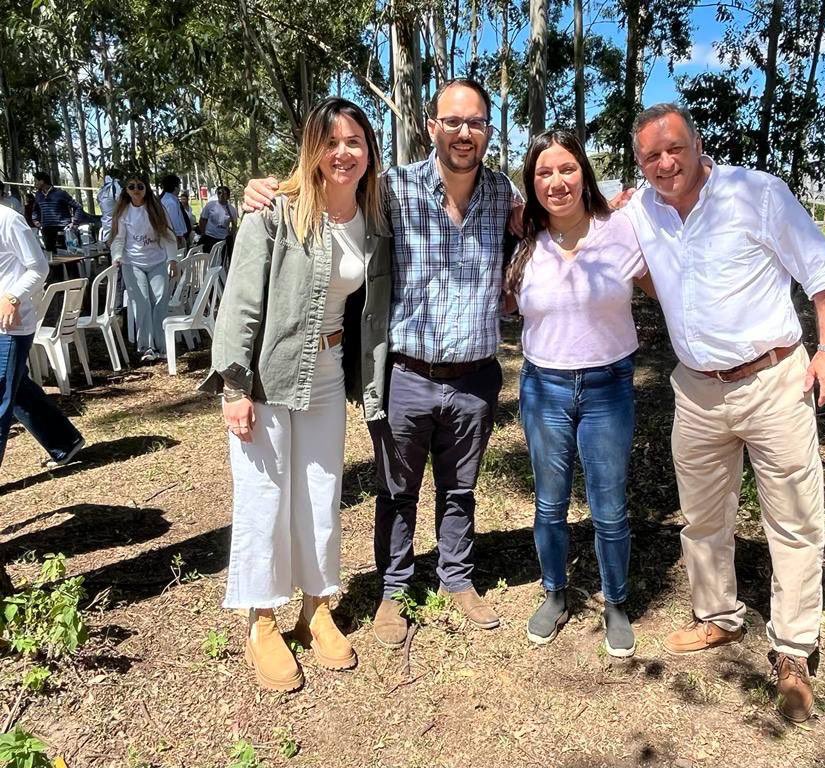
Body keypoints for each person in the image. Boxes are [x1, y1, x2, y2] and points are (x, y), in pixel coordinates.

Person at [244, 78, 521, 649]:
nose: (463, 133)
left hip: (474, 374)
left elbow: (564, 210)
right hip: (405, 373)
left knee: (460, 489)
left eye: (475, 123)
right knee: (396, 489)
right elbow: (329, 189)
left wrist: (612, 204)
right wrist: (264, 191)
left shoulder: (504, 195)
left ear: (488, 130)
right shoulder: (390, 187)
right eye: (453, 122)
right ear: (432, 127)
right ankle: (394, 589)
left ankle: (457, 578)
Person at [621, 103, 825, 723]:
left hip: (774, 378)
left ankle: (794, 649)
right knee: (701, 515)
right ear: (640, 163)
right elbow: (643, 270)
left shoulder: (757, 193)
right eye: (651, 156)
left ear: (698, 143)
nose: (666, 163)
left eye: (675, 148)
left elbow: (822, 272)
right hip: (696, 390)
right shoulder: (642, 210)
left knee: (795, 517)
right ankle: (718, 615)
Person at [201, 97, 392, 692]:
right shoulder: (275, 214)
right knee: (264, 495)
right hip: (268, 376)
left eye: (354, 141)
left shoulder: (373, 214)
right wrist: (235, 385)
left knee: (319, 490)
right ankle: (262, 620)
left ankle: (316, 606)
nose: (343, 152)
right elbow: (241, 302)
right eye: (330, 141)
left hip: (331, 374)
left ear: (369, 151)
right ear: (313, 149)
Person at [506, 129, 655, 657]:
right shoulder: (521, 237)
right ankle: (556, 594)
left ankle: (615, 601)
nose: (557, 181)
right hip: (543, 386)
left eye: (566, 168)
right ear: (532, 183)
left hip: (607, 387)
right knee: (549, 503)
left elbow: (670, 282)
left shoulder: (621, 228)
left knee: (609, 506)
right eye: (544, 173)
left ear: (584, 172)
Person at [0, 204, 86, 469]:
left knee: (2, 390)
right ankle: (64, 441)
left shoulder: (8, 220)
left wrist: (13, 297)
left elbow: (38, 268)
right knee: (18, 388)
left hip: (10, 323)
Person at [109, 174, 179, 363]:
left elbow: (168, 235)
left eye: (140, 186)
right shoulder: (123, 212)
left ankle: (162, 345)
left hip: (157, 260)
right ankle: (146, 346)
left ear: (146, 189)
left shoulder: (156, 209)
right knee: (142, 303)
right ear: (126, 190)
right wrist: (117, 257)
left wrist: (172, 260)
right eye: (131, 187)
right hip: (132, 263)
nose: (136, 190)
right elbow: (118, 238)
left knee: (159, 302)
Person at [31, 172, 82, 254]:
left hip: (62, 228)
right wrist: (35, 219)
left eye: (36, 181)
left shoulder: (60, 193)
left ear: (42, 181)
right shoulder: (38, 195)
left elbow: (78, 206)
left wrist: (75, 222)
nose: (35, 184)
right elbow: (35, 209)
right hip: (47, 229)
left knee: (68, 256)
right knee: (52, 257)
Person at [198, 186, 238, 255]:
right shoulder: (210, 205)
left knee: (222, 259)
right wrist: (203, 233)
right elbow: (202, 220)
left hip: (223, 238)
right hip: (210, 237)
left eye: (224, 193)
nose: (221, 195)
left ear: (228, 196)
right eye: (219, 193)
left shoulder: (231, 209)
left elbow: (234, 225)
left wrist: (231, 233)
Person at [159, 174, 189, 250]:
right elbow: (173, 221)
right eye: (179, 185)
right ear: (175, 187)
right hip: (175, 239)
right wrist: (179, 237)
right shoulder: (170, 202)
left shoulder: (170, 199)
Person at [97, 169, 123, 242]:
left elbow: (98, 199)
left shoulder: (104, 187)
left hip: (106, 221)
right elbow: (122, 201)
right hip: (115, 224)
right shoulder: (116, 186)